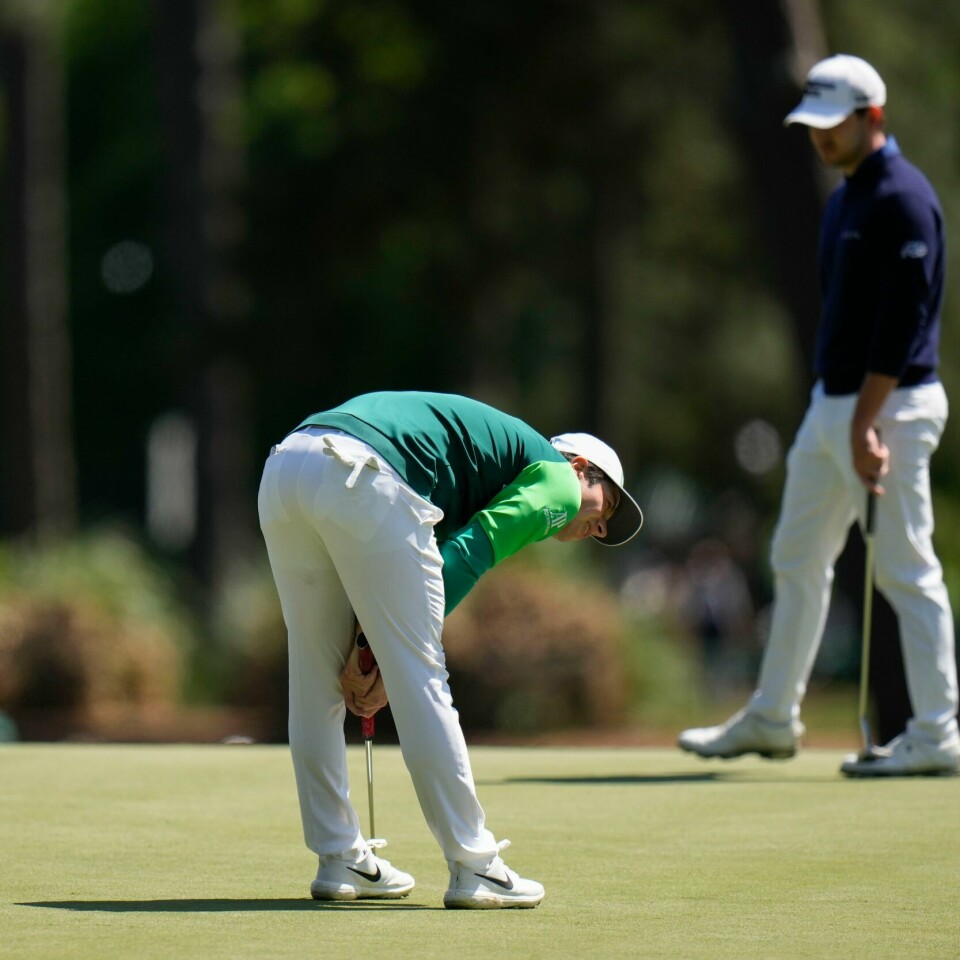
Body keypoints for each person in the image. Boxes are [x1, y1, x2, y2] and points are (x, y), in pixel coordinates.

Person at [678, 55, 959, 777]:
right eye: (814, 125)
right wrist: (844, 415)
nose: (821, 137)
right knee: (796, 557)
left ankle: (937, 732)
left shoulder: (904, 198)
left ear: (873, 117)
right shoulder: (844, 201)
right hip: (834, 405)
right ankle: (773, 716)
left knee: (905, 568)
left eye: (834, 124)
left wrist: (866, 422)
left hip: (891, 407)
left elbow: (902, 326)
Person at [258, 390, 643, 907]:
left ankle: (339, 859)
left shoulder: (486, 472)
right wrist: (378, 657)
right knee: (420, 673)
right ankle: (474, 865)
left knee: (314, 674)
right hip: (362, 471)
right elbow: (467, 555)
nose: (599, 527)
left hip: (287, 466)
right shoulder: (558, 481)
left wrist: (366, 646)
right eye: (606, 506)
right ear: (580, 467)